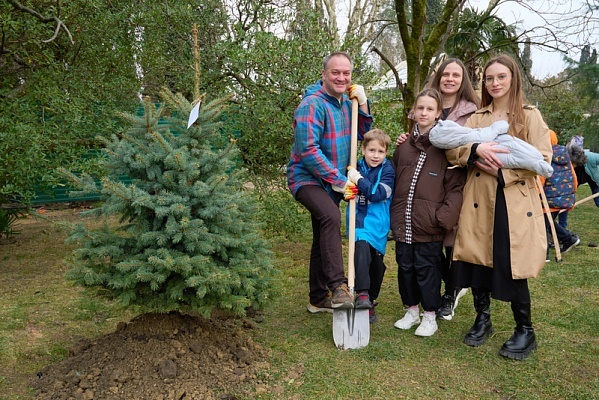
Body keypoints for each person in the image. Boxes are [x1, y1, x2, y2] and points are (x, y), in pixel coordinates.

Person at [445, 54, 552, 360]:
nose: (494, 83)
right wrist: (476, 149)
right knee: (477, 260)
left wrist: (502, 171)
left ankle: (525, 329)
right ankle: (483, 318)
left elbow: (543, 160)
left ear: (513, 79)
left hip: (513, 202)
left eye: (501, 77)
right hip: (478, 201)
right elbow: (454, 150)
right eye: (489, 78)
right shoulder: (477, 117)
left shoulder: (530, 116)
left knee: (512, 263)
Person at [287, 51, 373, 313]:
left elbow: (365, 136)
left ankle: (317, 297)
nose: (341, 77)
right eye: (335, 72)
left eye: (346, 73)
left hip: (333, 181)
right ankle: (337, 286)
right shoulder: (311, 105)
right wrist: (339, 180)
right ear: (324, 74)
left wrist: (364, 105)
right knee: (330, 218)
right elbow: (308, 151)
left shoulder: (348, 105)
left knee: (322, 235)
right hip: (307, 179)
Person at [397, 58, 479, 320]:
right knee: (418, 259)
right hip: (418, 204)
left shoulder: (472, 110)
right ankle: (416, 305)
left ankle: (447, 297)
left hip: (452, 186)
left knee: (447, 250)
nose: (450, 79)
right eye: (446, 74)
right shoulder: (419, 121)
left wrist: (442, 216)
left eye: (456, 75)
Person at [390, 88, 466, 337]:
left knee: (428, 271)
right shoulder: (403, 147)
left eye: (429, 109)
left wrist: (442, 218)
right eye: (420, 108)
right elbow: (392, 178)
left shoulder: (446, 147)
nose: (424, 112)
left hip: (429, 225)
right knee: (406, 268)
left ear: (438, 114)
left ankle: (430, 315)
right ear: (413, 112)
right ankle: (412, 310)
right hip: (404, 222)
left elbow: (456, 187)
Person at [345, 129, 395, 323]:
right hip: (358, 221)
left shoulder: (388, 170)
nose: (375, 155)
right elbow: (342, 188)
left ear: (386, 153)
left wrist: (357, 179)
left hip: (379, 224)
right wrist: (345, 189)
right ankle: (363, 294)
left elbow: (377, 194)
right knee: (362, 250)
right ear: (363, 149)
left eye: (380, 151)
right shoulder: (354, 166)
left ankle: (370, 300)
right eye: (371, 150)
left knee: (376, 264)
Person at [541, 130, 584, 260]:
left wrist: (536, 194)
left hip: (547, 199)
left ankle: (545, 255)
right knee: (548, 222)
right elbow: (573, 176)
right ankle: (568, 239)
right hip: (563, 197)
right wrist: (570, 193)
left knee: (542, 226)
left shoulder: (544, 156)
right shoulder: (564, 155)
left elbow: (541, 178)